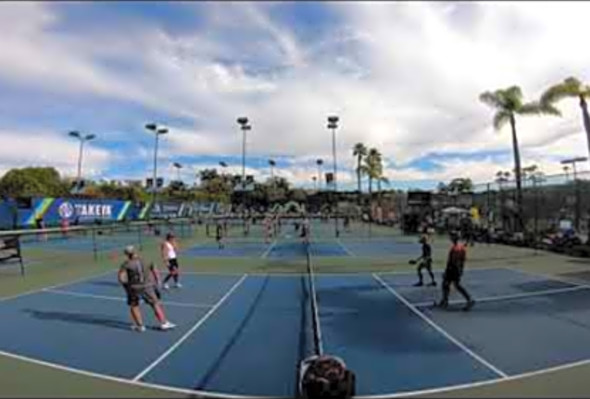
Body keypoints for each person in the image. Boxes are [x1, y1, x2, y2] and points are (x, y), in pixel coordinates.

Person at [118, 245, 175, 332]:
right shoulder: (147, 260)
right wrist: (158, 281)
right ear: (135, 251)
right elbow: (155, 270)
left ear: (127, 254)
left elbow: (121, 278)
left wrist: (126, 287)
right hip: (147, 286)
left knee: (134, 305)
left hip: (133, 287)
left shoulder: (126, 264)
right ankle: (163, 323)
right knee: (155, 304)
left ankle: (140, 326)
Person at [436, 232, 475, 311]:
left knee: (450, 284)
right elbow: (462, 260)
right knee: (449, 284)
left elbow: (452, 261)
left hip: (453, 270)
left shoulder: (455, 248)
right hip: (457, 269)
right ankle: (445, 300)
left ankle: (469, 299)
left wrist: (447, 271)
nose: (450, 238)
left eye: (451, 237)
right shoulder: (461, 247)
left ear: (454, 238)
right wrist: (461, 269)